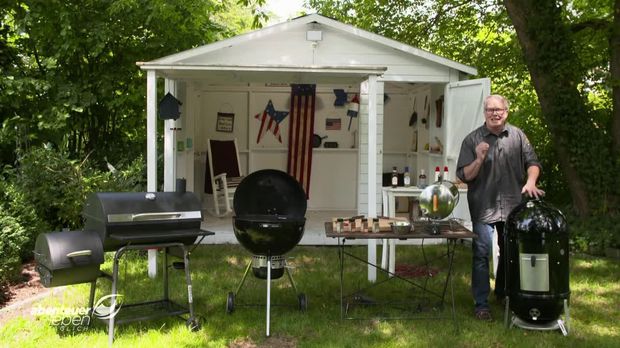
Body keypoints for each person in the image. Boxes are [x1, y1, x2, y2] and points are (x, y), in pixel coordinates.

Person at [456, 94, 544, 321]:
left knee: (510, 253)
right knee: (481, 254)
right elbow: (465, 176)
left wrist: (531, 181)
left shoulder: (517, 136)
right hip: (483, 206)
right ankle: (481, 304)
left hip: (513, 206)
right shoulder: (472, 140)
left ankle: (504, 294)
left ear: (506, 112)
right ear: (484, 112)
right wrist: (478, 159)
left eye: (499, 110)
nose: (495, 113)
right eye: (490, 110)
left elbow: (533, 163)